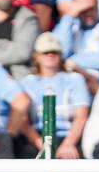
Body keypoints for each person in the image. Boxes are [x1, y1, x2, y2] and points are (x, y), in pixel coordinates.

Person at [19, 31, 90, 159]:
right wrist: (38, 142)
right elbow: (22, 120)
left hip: (68, 135)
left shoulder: (74, 79)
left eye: (55, 52)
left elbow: (81, 117)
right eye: (46, 52)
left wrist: (68, 144)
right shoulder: (27, 82)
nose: (50, 55)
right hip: (37, 137)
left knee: (73, 156)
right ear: (37, 56)